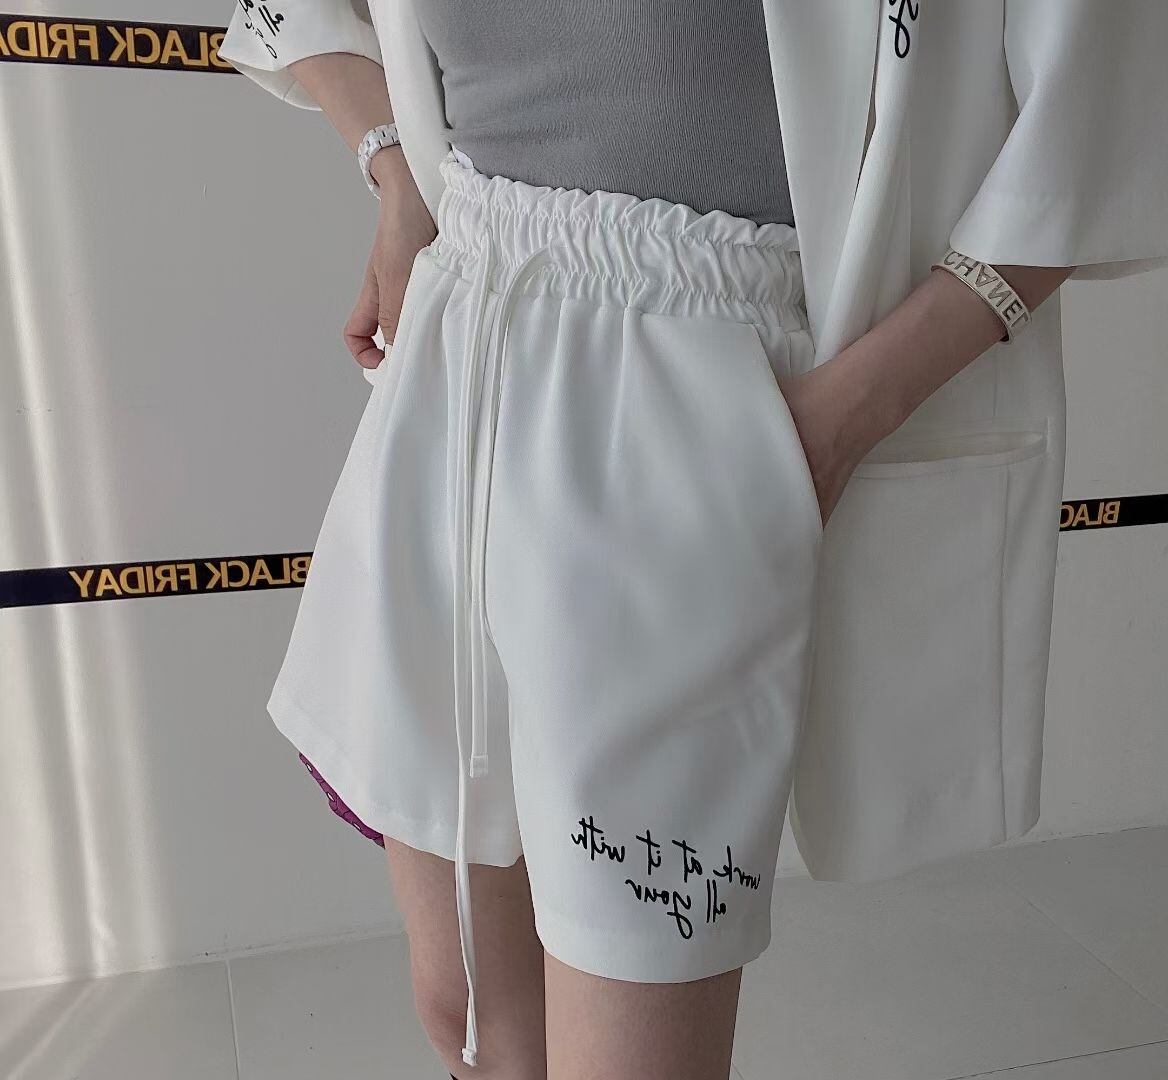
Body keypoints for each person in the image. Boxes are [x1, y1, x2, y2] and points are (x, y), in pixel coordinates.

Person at [217, 2, 1168, 1077]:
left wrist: (833, 425)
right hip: (454, 338)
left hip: (694, 395)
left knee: (629, 1045)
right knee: (468, 1011)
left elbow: (1096, 110)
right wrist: (394, 170)